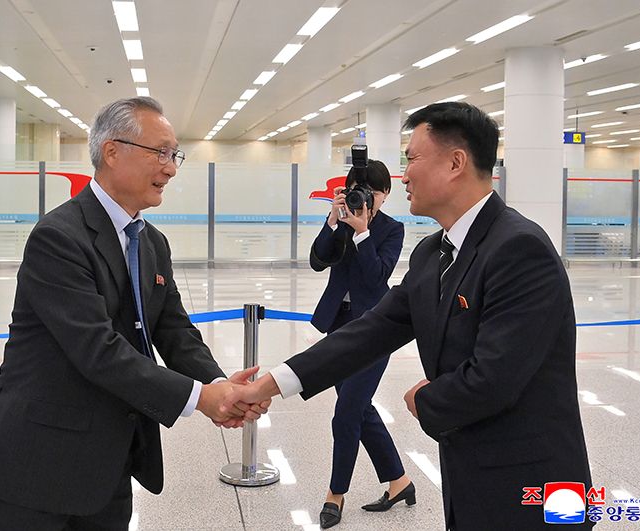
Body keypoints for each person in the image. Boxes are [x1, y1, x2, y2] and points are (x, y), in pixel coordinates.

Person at [225, 102, 593, 530]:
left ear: (456, 163)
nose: (404, 177)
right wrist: (268, 385)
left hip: (533, 489)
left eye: (412, 159)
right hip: (469, 476)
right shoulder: (433, 252)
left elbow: (494, 379)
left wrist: (425, 400)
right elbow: (372, 331)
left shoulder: (519, 248)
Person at [0, 97, 268, 530]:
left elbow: (174, 329)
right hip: (36, 463)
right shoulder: (59, 237)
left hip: (109, 461)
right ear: (112, 152)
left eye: (174, 155)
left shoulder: (151, 242)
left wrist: (219, 384)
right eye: (160, 152)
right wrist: (200, 398)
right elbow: (98, 349)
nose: (171, 168)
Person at [309, 159, 413, 528]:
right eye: (358, 190)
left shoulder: (392, 229)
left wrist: (363, 233)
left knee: (346, 413)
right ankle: (399, 481)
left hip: (374, 329)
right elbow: (317, 262)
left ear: (385, 195)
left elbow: (376, 277)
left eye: (374, 192)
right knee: (359, 408)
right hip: (338, 325)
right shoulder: (342, 220)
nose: (366, 197)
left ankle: (335, 494)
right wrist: (333, 223)